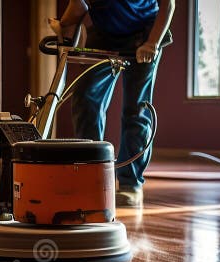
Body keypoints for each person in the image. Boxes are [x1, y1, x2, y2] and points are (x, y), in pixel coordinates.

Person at [52, 0, 174, 207]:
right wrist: (62, 25)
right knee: (85, 98)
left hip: (144, 34)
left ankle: (130, 184)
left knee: (136, 109)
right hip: (104, 36)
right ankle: (91, 176)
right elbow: (78, 6)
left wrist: (152, 43)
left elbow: (167, 5)